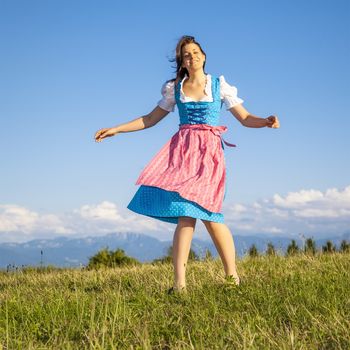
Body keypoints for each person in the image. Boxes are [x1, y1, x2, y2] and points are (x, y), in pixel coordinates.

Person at [94, 35, 280, 294]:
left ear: (203, 56)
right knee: (186, 216)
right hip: (181, 154)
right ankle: (179, 284)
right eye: (186, 55)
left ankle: (232, 278)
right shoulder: (175, 88)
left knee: (211, 215)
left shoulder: (219, 85)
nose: (191, 57)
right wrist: (117, 129)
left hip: (209, 156)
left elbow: (246, 118)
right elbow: (150, 118)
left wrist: (266, 121)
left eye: (195, 53)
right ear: (182, 62)